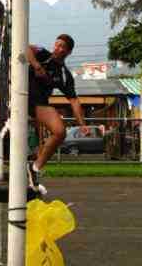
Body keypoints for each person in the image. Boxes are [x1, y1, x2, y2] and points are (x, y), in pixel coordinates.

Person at [26, 34, 87, 191]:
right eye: (57, 44)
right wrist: (36, 66)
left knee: (60, 132)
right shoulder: (42, 54)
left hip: (37, 104)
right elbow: (25, 48)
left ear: (68, 52)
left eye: (62, 47)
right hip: (18, 96)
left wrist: (82, 124)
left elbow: (73, 100)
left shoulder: (64, 75)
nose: (58, 48)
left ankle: (35, 168)